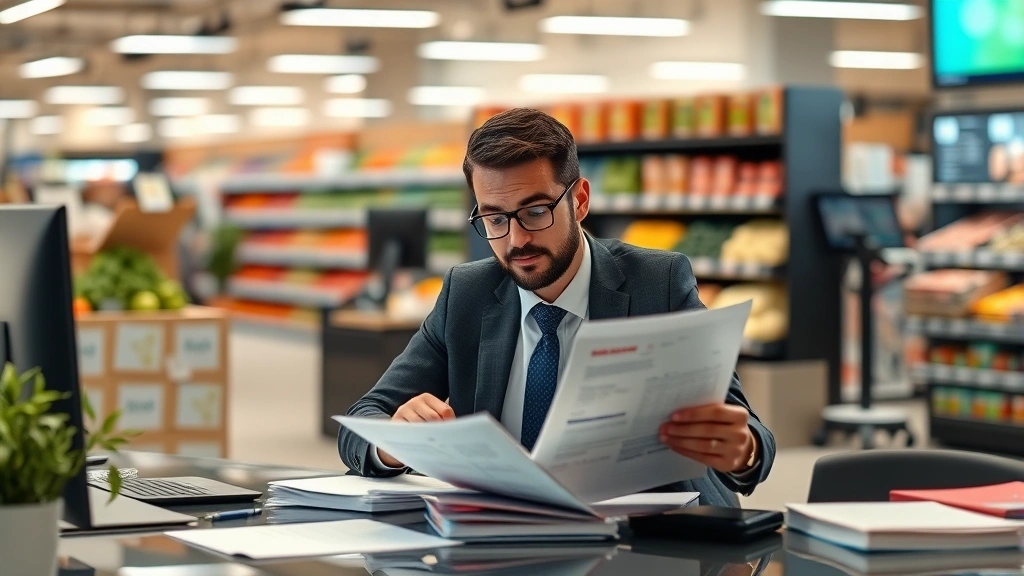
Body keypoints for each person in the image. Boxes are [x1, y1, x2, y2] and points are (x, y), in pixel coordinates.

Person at [338, 108, 775, 507]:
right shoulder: (465, 294)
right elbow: (360, 423)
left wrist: (743, 448)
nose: (515, 240)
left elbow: (748, 431)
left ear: (580, 200)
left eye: (535, 212)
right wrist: (392, 443)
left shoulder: (656, 283)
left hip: (650, 538)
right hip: (507, 536)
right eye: (494, 219)